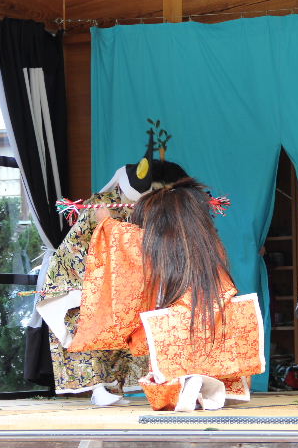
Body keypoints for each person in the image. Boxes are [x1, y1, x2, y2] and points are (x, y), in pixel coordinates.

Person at [68, 177, 264, 411]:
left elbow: (126, 240)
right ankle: (208, 386)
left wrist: (106, 220)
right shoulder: (209, 242)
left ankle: (189, 384)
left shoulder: (155, 243)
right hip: (218, 319)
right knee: (213, 363)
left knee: (171, 380)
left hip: (175, 323)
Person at [36, 130, 188, 405]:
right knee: (87, 332)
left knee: (124, 330)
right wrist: (109, 228)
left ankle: (113, 387)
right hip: (81, 275)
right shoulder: (102, 205)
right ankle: (97, 388)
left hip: (119, 280)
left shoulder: (144, 209)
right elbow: (83, 245)